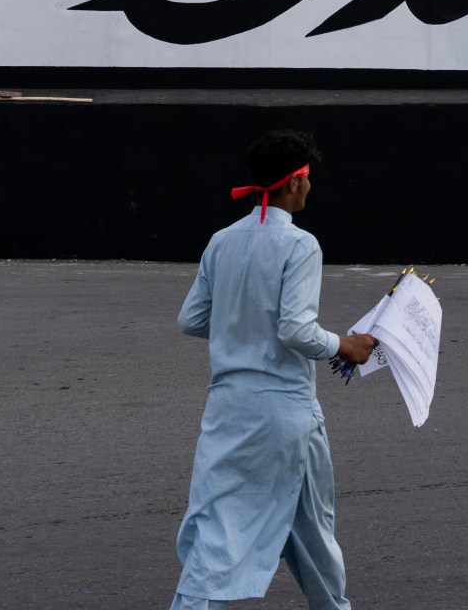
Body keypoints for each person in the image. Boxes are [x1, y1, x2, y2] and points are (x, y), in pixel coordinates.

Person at [172, 130, 378, 610]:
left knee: (227, 525)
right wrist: (344, 345)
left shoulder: (222, 240)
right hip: (285, 413)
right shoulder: (300, 244)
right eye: (308, 179)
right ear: (295, 183)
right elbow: (296, 331)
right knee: (313, 530)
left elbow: (191, 320)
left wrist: (240, 330)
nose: (310, 188)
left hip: (228, 409)